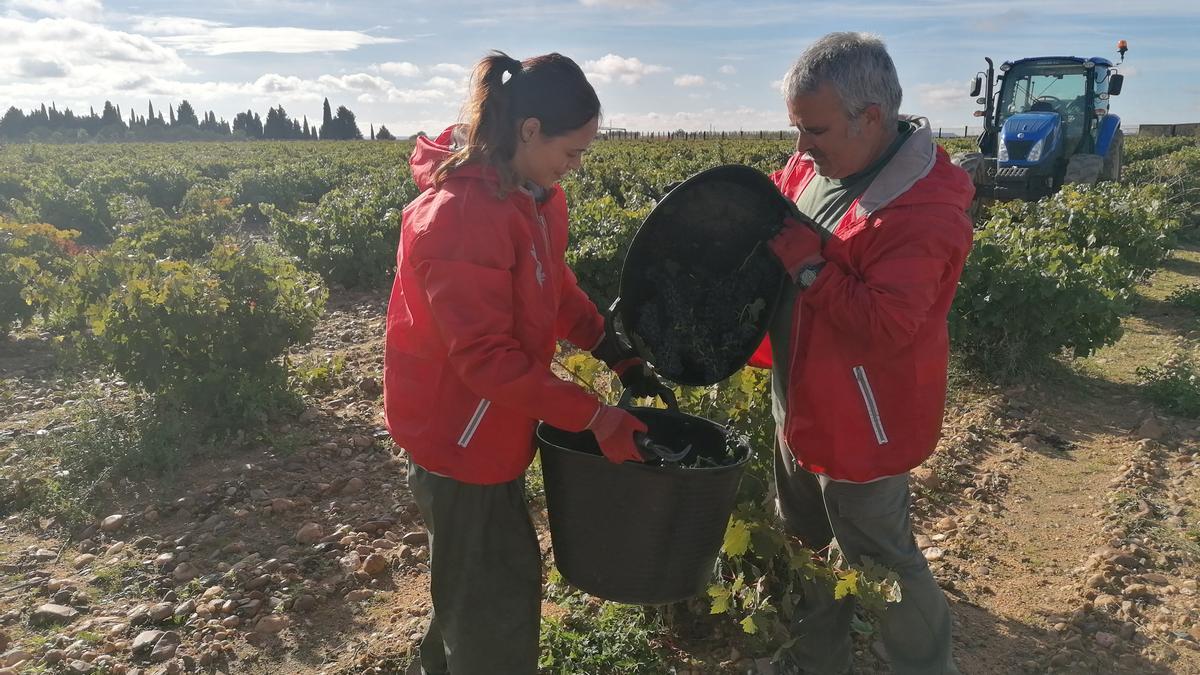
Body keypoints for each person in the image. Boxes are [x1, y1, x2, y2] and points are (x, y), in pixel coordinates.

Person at [383, 51, 666, 675]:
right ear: (529, 130)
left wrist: (611, 350)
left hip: (493, 421)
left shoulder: (533, 197)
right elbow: (486, 361)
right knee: (496, 596)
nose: (577, 166)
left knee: (470, 578)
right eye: (572, 151)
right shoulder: (458, 217)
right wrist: (597, 418)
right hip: (457, 433)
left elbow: (553, 285)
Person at [750, 32, 975, 675]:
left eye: (813, 130)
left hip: (863, 417)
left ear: (870, 118)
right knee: (806, 545)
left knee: (880, 559)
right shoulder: (819, 166)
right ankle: (815, 661)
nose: (801, 148)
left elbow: (886, 325)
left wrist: (808, 267)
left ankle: (928, 667)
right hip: (798, 399)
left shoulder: (924, 208)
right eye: (796, 129)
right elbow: (779, 195)